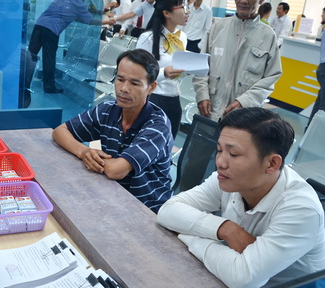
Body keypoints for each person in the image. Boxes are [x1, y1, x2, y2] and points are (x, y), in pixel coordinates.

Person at [157, 108, 325, 288]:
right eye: (219, 150)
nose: (220, 162)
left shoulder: (301, 209)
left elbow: (243, 280)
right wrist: (225, 229)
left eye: (233, 153)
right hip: (228, 286)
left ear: (272, 163)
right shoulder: (229, 179)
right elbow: (168, 210)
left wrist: (189, 237)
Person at [52, 49, 173, 213]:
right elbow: (60, 131)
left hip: (146, 210)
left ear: (151, 88)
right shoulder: (107, 110)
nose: (124, 88)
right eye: (120, 79)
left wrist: (93, 159)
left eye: (134, 83)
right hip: (110, 196)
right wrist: (84, 151)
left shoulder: (158, 127)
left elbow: (116, 170)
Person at [192, 0, 282, 121]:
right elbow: (201, 67)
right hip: (209, 111)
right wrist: (202, 95)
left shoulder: (268, 35)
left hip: (242, 116)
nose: (243, 1)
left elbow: (271, 77)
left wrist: (245, 101)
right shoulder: (218, 28)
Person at [137, 0, 188, 139]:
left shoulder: (182, 37)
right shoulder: (147, 38)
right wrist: (163, 73)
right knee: (147, 144)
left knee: (168, 143)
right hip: (153, 98)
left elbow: (178, 69)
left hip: (175, 99)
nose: (187, 12)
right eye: (183, 8)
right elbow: (137, 73)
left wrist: (186, 70)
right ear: (166, 13)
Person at [28, 0, 99, 93]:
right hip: (51, 28)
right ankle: (49, 87)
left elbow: (76, 14)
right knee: (49, 58)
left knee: (30, 55)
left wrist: (96, 11)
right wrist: (108, 21)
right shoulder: (78, 4)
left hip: (39, 24)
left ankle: (21, 81)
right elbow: (89, 20)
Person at [307, 7, 325, 129]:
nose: (322, 16)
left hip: (322, 67)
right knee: (323, 105)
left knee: (321, 101)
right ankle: (316, 132)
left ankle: (310, 129)